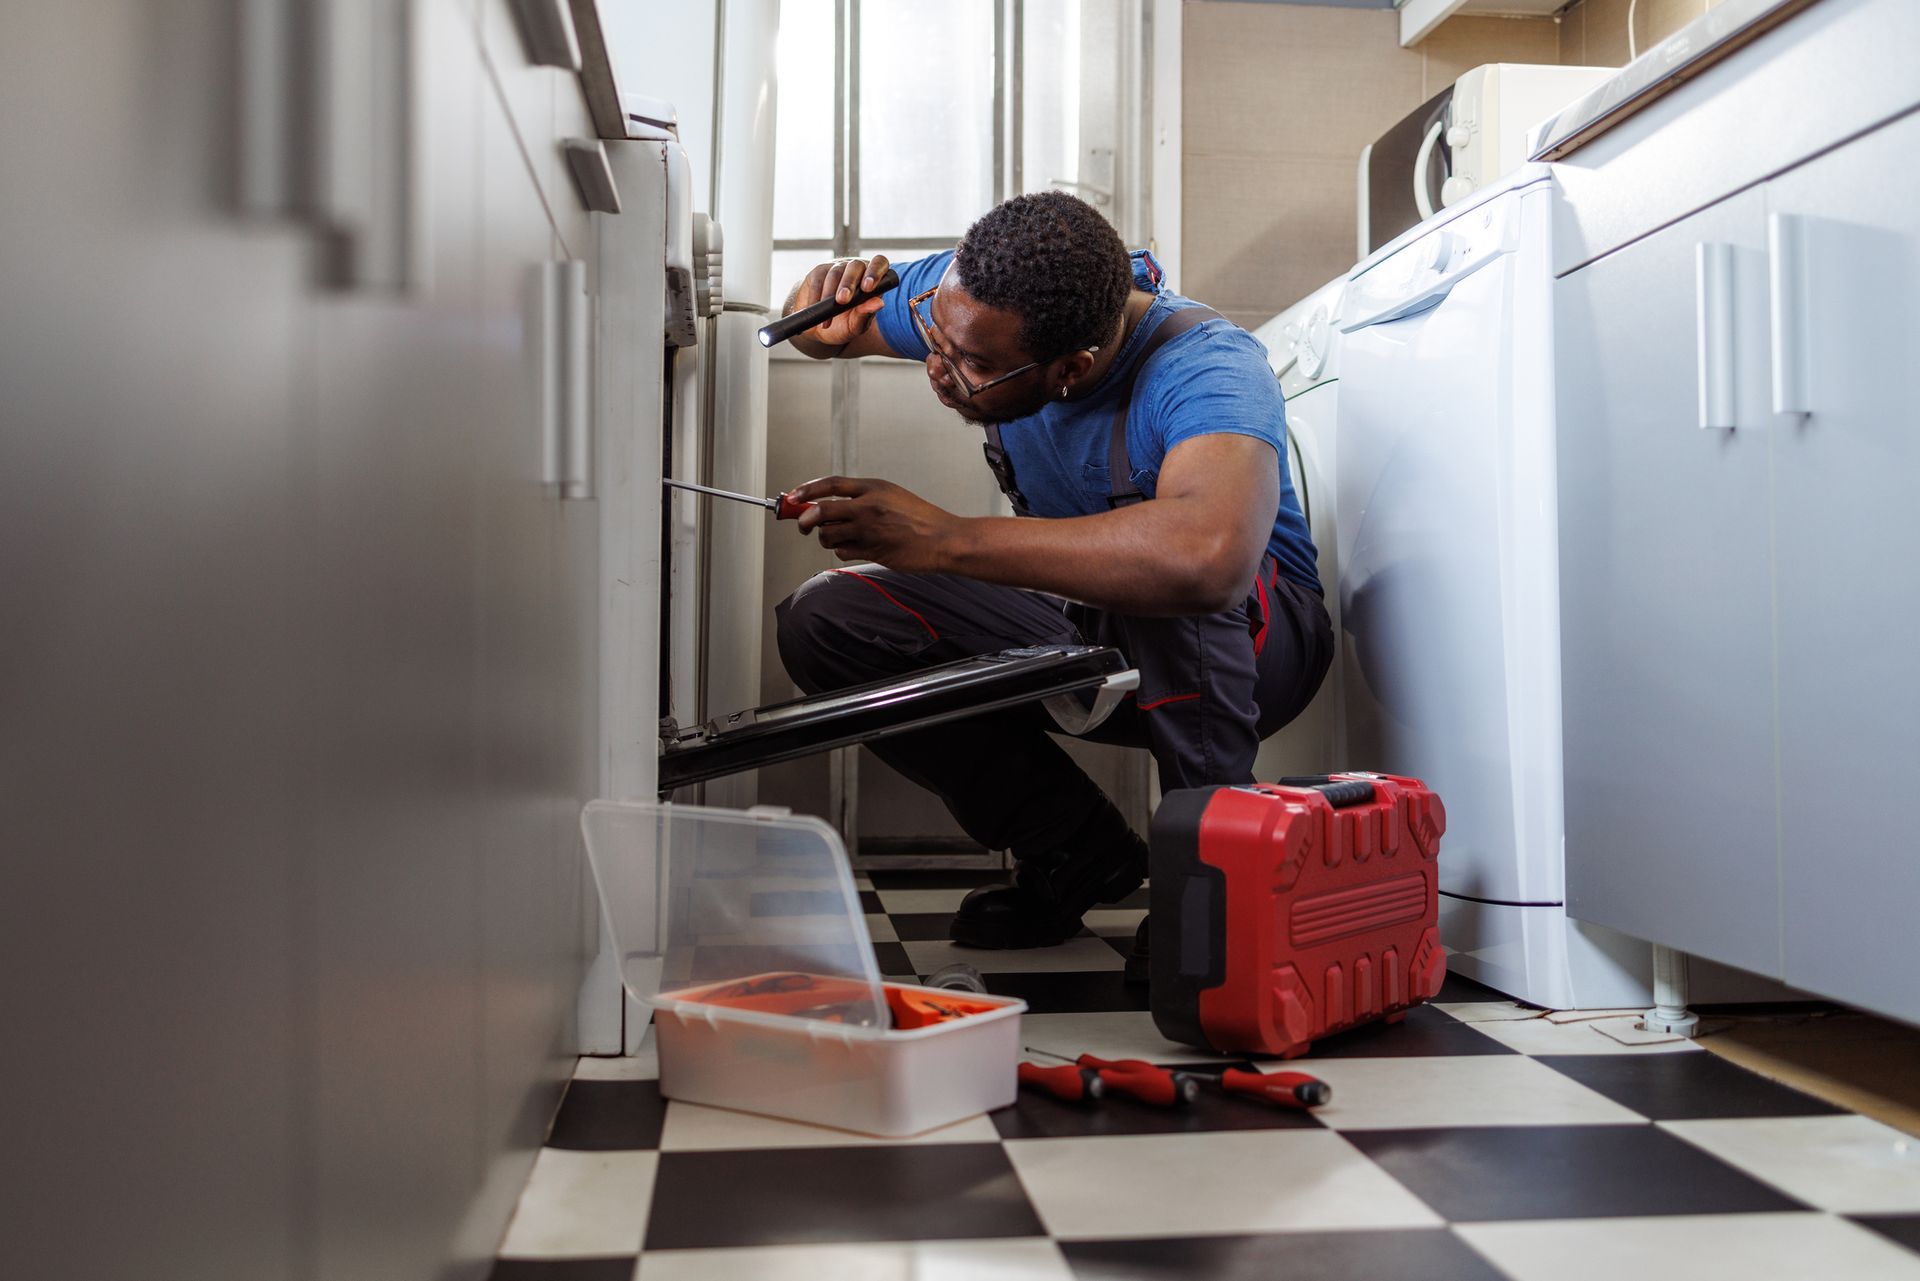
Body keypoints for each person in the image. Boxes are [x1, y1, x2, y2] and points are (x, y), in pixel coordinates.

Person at [774, 191, 1331, 961]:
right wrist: (815, 315)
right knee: (829, 620)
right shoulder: (971, 296)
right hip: (1086, 617)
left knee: (1169, 567)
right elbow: (830, 328)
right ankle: (1076, 849)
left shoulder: (1207, 367)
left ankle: (1210, 882)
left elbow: (1209, 560)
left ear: (1073, 369)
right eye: (939, 334)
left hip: (1257, 645)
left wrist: (944, 539)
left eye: (974, 365)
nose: (941, 366)